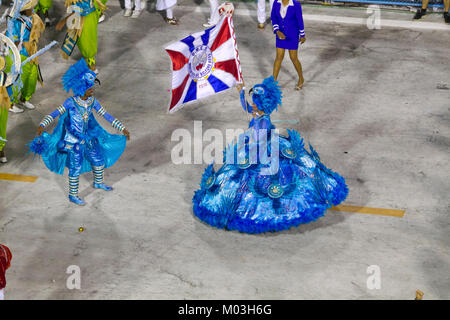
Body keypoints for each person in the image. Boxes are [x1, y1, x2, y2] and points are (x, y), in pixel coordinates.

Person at [192, 76, 348, 233]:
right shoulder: (258, 114)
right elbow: (247, 109)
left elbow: (259, 139)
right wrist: (241, 91)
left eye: (255, 102)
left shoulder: (264, 121)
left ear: (261, 104)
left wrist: (247, 139)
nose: (252, 104)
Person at [29, 59, 130, 206]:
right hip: (73, 141)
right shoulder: (71, 102)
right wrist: (42, 124)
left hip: (88, 138)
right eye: (90, 88)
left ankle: (98, 182)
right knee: (75, 167)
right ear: (82, 88)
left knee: (98, 160)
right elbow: (55, 113)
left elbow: (106, 115)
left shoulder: (92, 101)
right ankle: (73, 195)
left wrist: (122, 128)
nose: (92, 90)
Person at [6, 0, 45, 113]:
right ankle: (10, 103)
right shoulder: (16, 21)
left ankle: (24, 99)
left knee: (32, 78)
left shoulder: (34, 17)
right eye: (31, 7)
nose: (33, 8)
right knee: (18, 78)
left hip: (31, 53)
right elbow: (12, 40)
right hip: (20, 54)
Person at [56, 0, 107, 73]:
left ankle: (91, 63)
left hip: (88, 16)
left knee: (88, 41)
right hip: (78, 17)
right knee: (81, 41)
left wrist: (99, 10)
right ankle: (89, 59)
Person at [271, 0, 305, 90]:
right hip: (280, 34)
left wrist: (302, 34)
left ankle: (301, 78)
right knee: (279, 57)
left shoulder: (296, 4)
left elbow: (299, 19)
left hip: (292, 35)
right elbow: (273, 17)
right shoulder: (276, 2)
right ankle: (273, 83)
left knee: (293, 58)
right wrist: (277, 31)